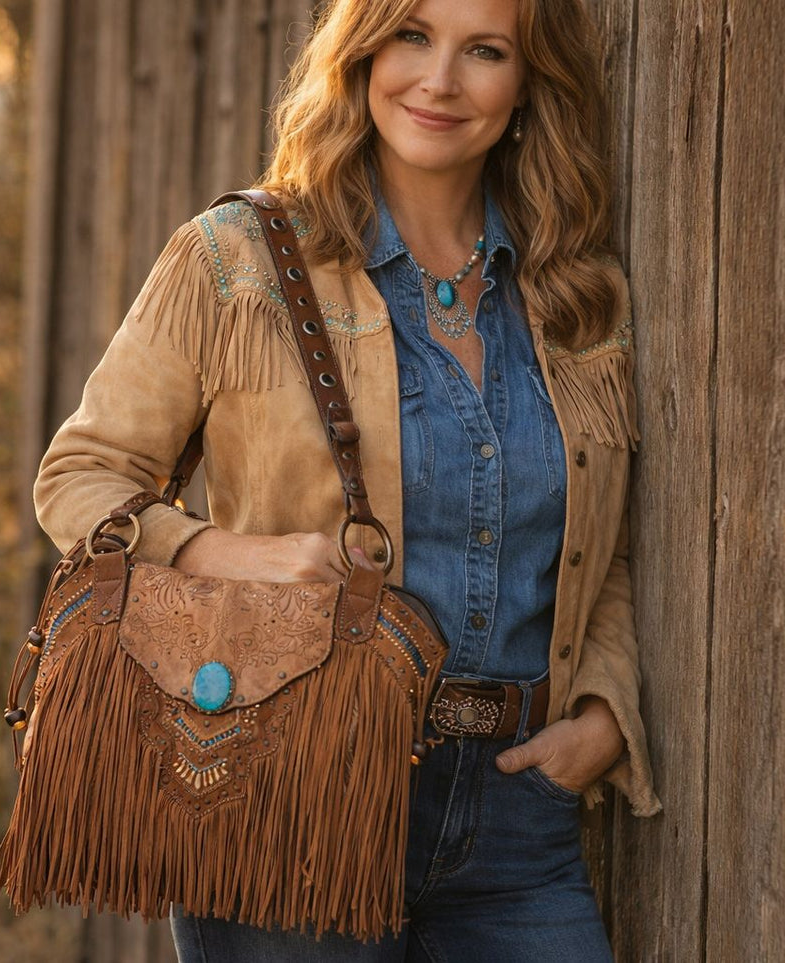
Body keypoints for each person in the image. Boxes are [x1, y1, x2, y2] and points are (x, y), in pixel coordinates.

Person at [33, 0, 662, 957]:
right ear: (362, 52)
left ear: (529, 83)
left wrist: (605, 712)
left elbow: (599, 539)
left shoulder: (573, 290)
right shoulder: (234, 260)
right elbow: (80, 476)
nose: (438, 80)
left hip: (517, 818)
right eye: (412, 35)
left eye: (484, 50)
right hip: (287, 796)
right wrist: (233, 554)